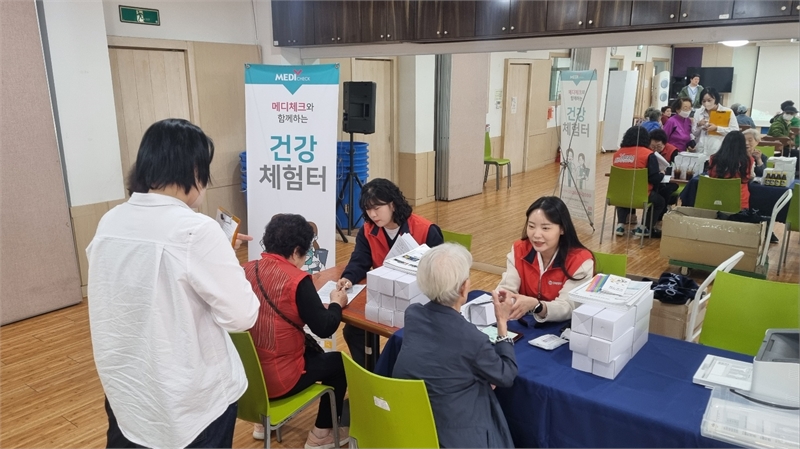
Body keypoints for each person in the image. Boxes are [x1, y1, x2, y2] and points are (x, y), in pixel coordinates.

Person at [87, 118, 260, 448]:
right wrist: (222, 257)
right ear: (194, 169)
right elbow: (242, 316)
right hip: (191, 404)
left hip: (127, 394)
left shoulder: (110, 221)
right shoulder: (197, 230)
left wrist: (215, 256)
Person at [393, 243, 517, 448]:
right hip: (454, 435)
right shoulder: (472, 339)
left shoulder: (413, 315)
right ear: (463, 287)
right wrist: (502, 324)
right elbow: (506, 376)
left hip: (412, 424)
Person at [245, 214, 349, 449]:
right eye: (305, 253)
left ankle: (262, 423)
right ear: (295, 252)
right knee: (338, 363)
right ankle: (321, 434)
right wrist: (336, 303)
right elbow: (325, 327)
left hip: (249, 379)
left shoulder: (246, 269)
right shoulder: (297, 280)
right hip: (279, 380)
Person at [336, 178, 443, 366]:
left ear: (392, 204)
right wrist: (348, 277)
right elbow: (360, 260)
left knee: (401, 340)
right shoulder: (368, 230)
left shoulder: (426, 230)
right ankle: (373, 373)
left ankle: (391, 374)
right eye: (368, 209)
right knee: (353, 331)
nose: (372, 214)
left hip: (419, 300)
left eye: (377, 208)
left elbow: (441, 276)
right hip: (385, 295)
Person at [496, 196, 594, 322]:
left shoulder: (580, 261)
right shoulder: (519, 250)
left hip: (562, 327)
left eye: (545, 228)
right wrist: (505, 298)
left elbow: (568, 306)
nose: (536, 235)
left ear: (562, 229)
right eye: (531, 226)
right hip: (523, 321)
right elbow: (507, 288)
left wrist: (537, 306)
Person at [612, 126, 676, 238]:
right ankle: (644, 227)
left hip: (619, 195)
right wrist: (661, 173)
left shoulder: (617, 154)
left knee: (624, 193)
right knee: (660, 202)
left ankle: (620, 225)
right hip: (642, 195)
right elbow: (654, 178)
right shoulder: (648, 154)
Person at [708, 131, 753, 210]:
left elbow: (711, 176)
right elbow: (747, 178)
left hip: (716, 198)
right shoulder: (748, 160)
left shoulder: (713, 158)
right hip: (740, 200)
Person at [692, 87, 739, 156]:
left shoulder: (727, 111)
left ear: (716, 99)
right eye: (704, 101)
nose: (706, 103)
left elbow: (735, 132)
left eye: (709, 100)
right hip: (700, 150)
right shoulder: (698, 112)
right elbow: (695, 133)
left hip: (718, 150)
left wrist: (717, 128)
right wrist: (698, 125)